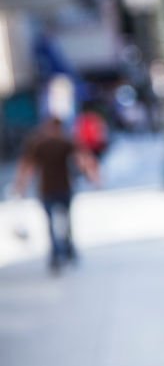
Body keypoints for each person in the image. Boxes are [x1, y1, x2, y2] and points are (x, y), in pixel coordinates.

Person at [13, 116, 100, 272]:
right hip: (59, 189)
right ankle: (64, 250)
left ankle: (60, 251)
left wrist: (21, 186)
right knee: (62, 221)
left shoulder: (45, 144)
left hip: (52, 189)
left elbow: (27, 166)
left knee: (57, 222)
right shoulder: (60, 143)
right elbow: (83, 159)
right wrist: (92, 178)